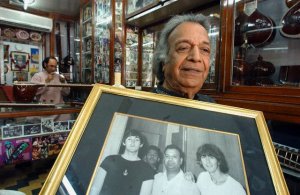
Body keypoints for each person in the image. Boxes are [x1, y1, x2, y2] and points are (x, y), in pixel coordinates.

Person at [153, 14, 214, 102]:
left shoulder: (211, 106)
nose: (196, 57)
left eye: (205, 49)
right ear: (163, 61)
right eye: (183, 48)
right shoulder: (139, 110)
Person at [89, 129, 155, 195]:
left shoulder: (147, 169)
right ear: (124, 142)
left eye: (136, 140)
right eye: (129, 139)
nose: (133, 142)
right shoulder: (110, 160)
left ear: (141, 144)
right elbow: (95, 188)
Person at [31, 56, 70, 121]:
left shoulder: (59, 77)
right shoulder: (37, 76)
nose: (53, 69)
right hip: (44, 109)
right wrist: (47, 81)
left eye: (55, 67)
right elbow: (33, 91)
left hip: (58, 109)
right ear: (45, 65)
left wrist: (63, 83)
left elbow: (67, 93)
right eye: (51, 66)